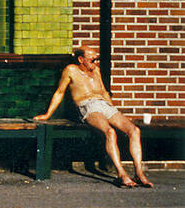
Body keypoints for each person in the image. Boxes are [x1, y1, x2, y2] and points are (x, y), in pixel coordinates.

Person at [34, 43, 152, 189]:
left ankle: (139, 174)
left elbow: (103, 91)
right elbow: (59, 92)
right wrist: (47, 114)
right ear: (80, 59)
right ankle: (122, 174)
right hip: (87, 106)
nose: (96, 62)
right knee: (110, 132)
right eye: (92, 59)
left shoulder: (96, 70)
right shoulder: (71, 70)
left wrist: (114, 110)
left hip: (104, 104)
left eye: (97, 59)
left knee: (134, 131)